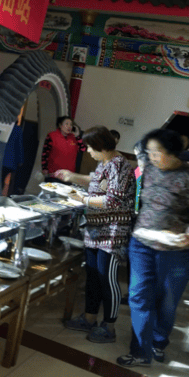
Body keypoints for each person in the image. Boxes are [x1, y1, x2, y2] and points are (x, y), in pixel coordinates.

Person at [116, 128, 189, 367]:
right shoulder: (150, 169)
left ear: (173, 152)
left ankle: (158, 342)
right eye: (149, 152)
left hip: (176, 251)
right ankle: (140, 351)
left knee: (166, 300)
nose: (152, 157)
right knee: (138, 296)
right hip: (142, 243)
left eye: (157, 152)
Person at [56, 126, 136, 343]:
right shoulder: (105, 163)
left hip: (112, 232)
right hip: (95, 229)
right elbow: (95, 182)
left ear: (101, 146)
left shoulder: (119, 166)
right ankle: (89, 318)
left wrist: (83, 199)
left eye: (90, 148)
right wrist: (72, 177)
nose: (88, 152)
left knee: (107, 280)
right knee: (93, 276)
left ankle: (109, 327)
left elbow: (113, 201)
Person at [41, 116, 85, 183]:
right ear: (60, 125)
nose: (69, 126)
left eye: (71, 125)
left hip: (69, 176)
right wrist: (44, 168)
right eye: (66, 124)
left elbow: (83, 149)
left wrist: (78, 136)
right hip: (54, 174)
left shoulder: (74, 138)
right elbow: (45, 154)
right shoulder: (52, 136)